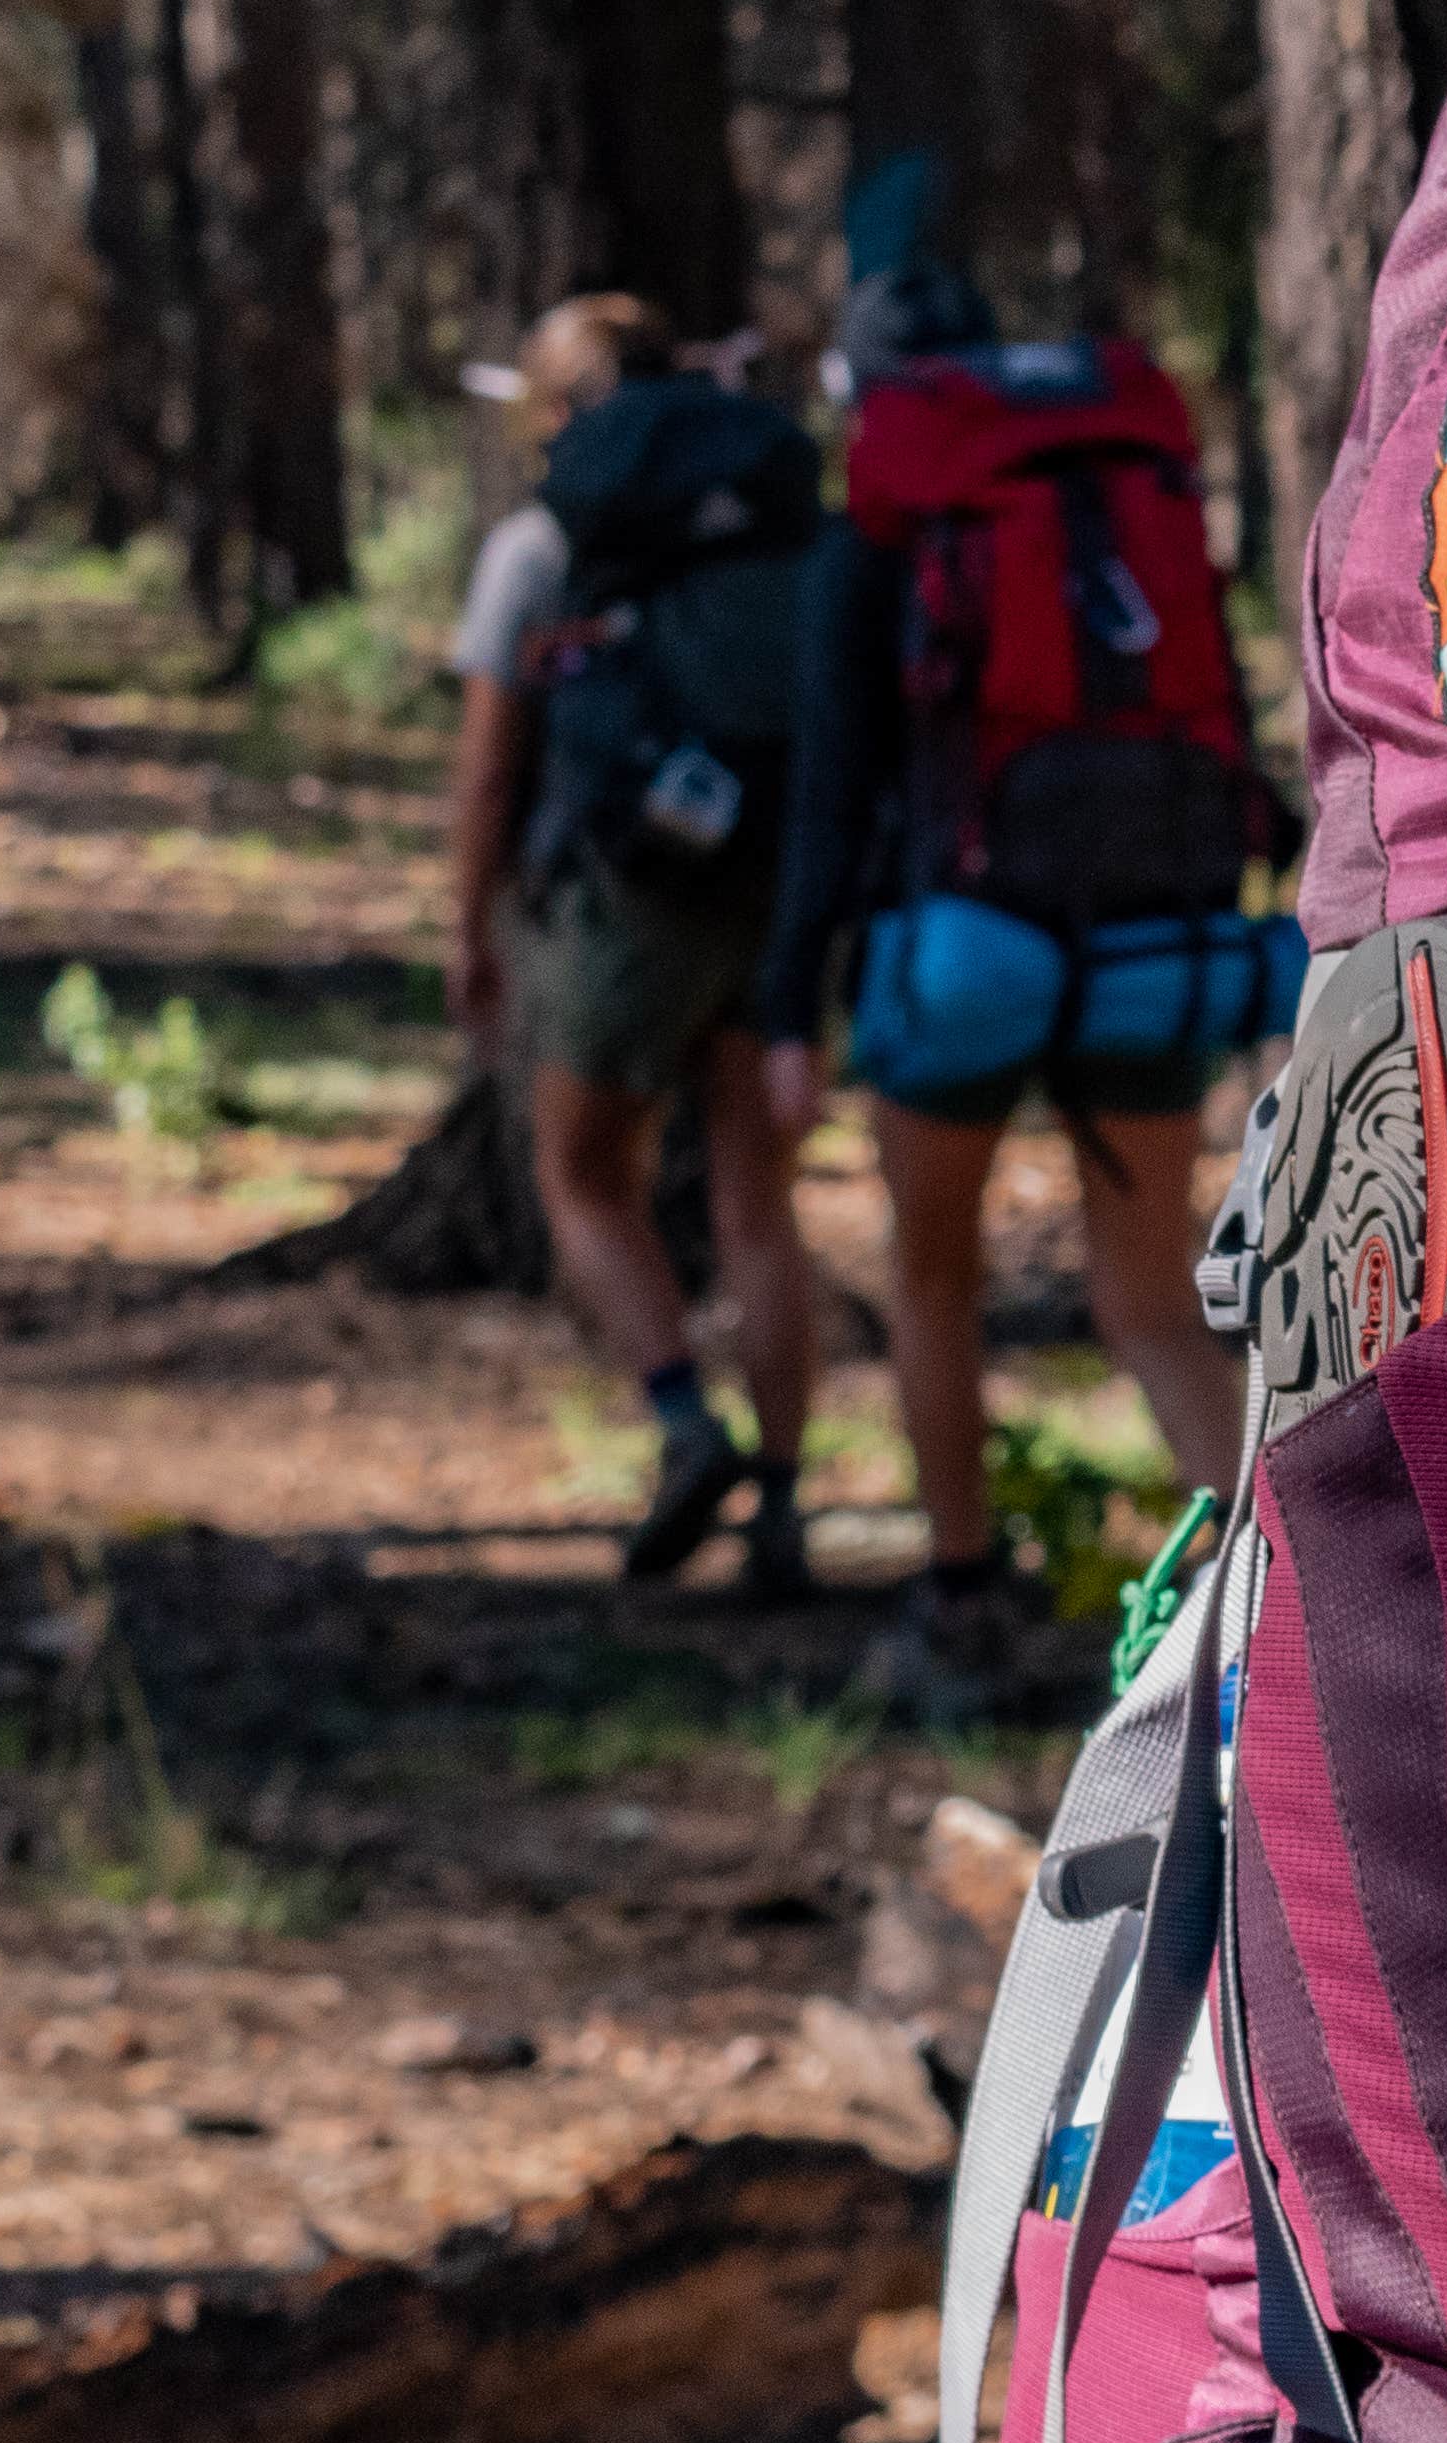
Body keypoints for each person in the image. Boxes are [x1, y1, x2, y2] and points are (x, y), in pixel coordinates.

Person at [757, 241, 1284, 1724]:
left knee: (934, 1277)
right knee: (1149, 1300)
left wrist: (792, 1005)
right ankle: (1281, 1618)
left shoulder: (885, 528)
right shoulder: (1121, 492)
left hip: (963, 950)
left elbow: (831, 787)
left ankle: (961, 1607)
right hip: (1154, 938)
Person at [442, 292, 826, 1598]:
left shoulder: (546, 543)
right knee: (757, 1201)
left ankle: (681, 1425)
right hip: (776, 881)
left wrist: (471, 928)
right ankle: (783, 1503)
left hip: (624, 894)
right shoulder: (776, 526)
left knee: (584, 1175)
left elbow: (491, 770)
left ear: (560, 409)